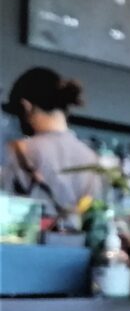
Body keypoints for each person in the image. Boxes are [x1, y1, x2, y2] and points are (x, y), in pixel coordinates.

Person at [1, 67, 101, 217]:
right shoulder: (91, 158)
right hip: (73, 239)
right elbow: (93, 214)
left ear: (26, 106)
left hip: (29, 238)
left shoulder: (20, 151)